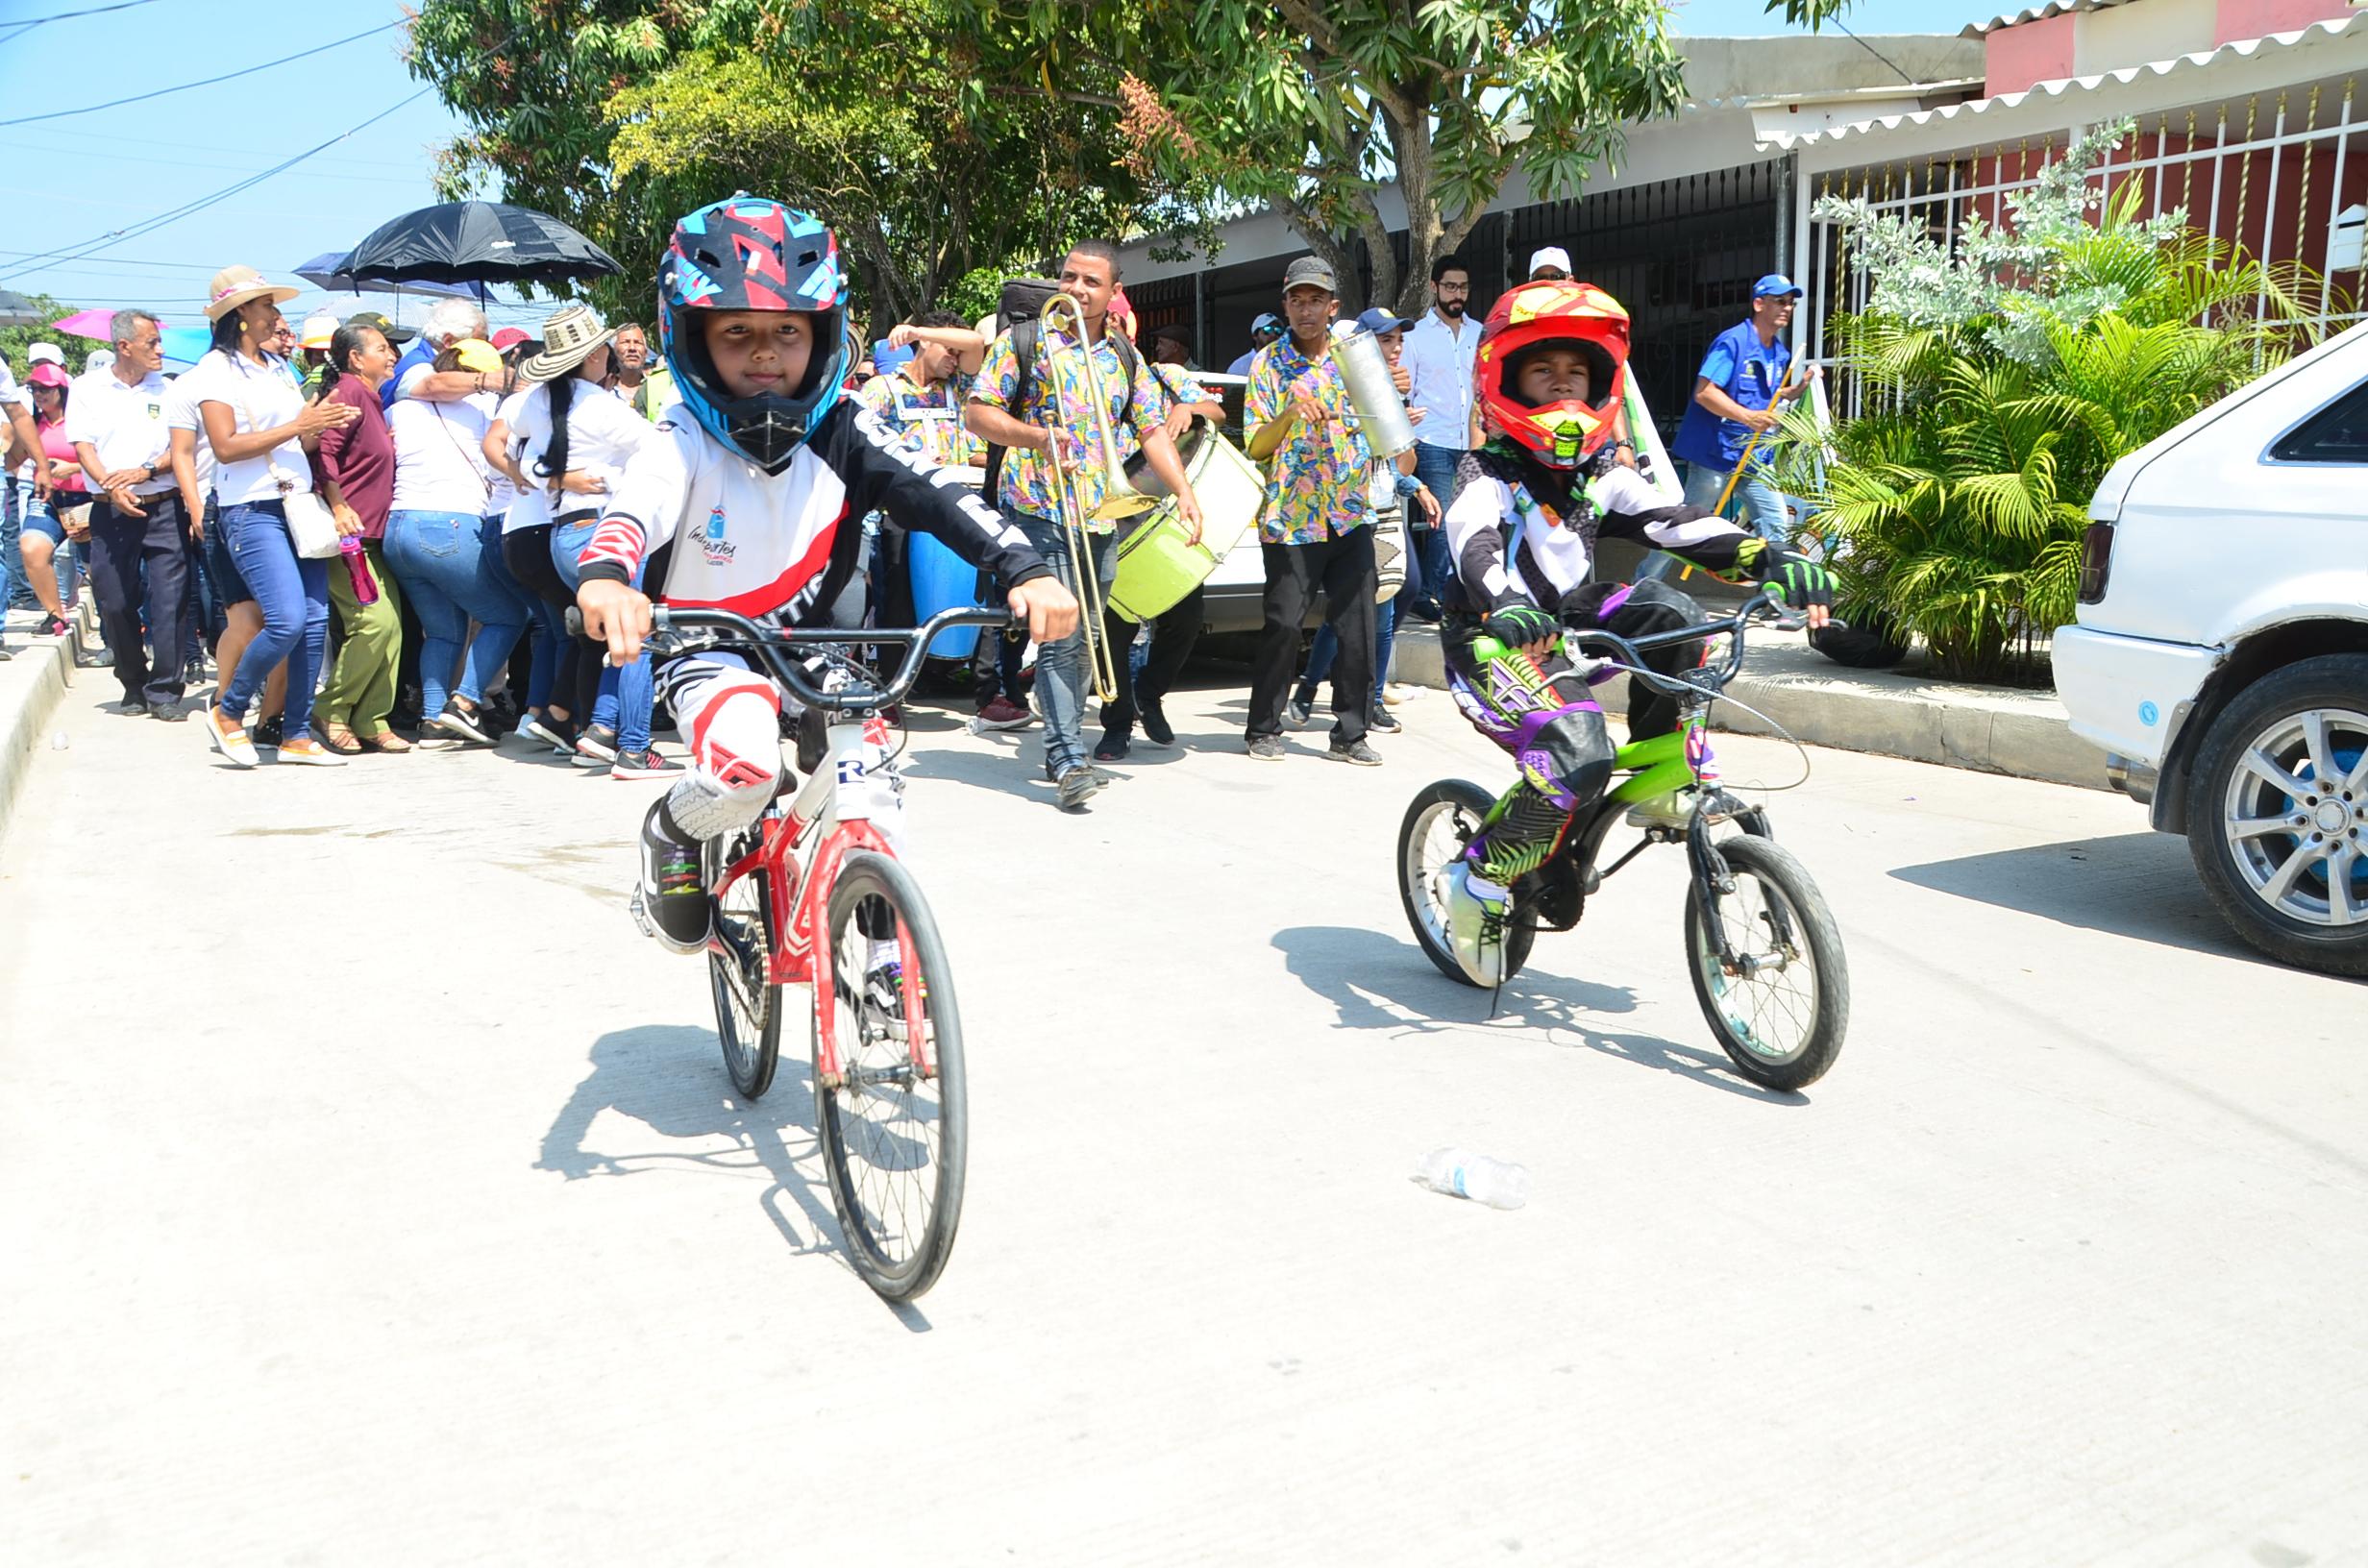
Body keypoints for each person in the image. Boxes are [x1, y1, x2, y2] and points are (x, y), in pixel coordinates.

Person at [569, 195, 1076, 952]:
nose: (765, 353)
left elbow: (937, 489)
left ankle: (883, 971)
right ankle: (674, 828)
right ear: (693, 339)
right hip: (708, 644)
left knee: (873, 780)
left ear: (824, 335)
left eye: (788, 331)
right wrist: (608, 577)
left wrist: (1025, 568)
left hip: (818, 647)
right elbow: (634, 507)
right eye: (736, 332)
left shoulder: (846, 425)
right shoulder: (679, 435)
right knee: (744, 769)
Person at [1432, 280, 1835, 987]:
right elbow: (1475, 541)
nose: (1563, 384)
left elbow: (1676, 522)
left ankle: (1660, 768)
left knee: (1675, 615)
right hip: (1492, 637)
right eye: (1543, 370)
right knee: (1578, 750)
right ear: (1505, 382)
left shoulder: (1600, 475)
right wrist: (1503, 600)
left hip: (1567, 621)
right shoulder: (1487, 471)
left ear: (1601, 385)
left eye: (1577, 371)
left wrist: (1770, 558)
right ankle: (1480, 878)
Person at [964, 237, 1205, 810]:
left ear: (1114, 291)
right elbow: (977, 412)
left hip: (1100, 510)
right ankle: (1069, 757)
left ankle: (1063, 740)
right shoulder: (1024, 341)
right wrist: (1036, 437)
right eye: (1069, 277)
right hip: (1037, 504)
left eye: (1090, 281)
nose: (1075, 289)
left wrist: (1184, 490)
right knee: (1061, 633)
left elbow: (1150, 428)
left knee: (1087, 636)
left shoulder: (1125, 355)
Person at [189, 266, 361, 765]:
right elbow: (225, 447)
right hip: (251, 508)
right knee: (286, 620)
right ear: (240, 312)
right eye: (267, 305)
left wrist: (321, 424)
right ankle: (229, 711)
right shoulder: (214, 370)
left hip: (296, 503)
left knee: (313, 622)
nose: (276, 314)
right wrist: (299, 425)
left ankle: (296, 735)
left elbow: (297, 440)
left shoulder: (278, 367)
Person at [494, 305, 662, 774]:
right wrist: (610, 478)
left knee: (604, 635)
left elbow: (519, 456)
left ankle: (600, 729)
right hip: (604, 529)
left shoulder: (535, 402)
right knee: (635, 634)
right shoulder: (604, 408)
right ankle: (634, 747)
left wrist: (556, 478)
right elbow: (661, 455)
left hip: (563, 535)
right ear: (594, 356)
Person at [1242, 257, 1381, 766]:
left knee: (1357, 627)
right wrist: (1289, 413)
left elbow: (1388, 436)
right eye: (1297, 300)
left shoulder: (1356, 360)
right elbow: (1256, 446)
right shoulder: (1267, 364)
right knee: (1283, 624)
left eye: (1316, 300)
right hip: (1291, 518)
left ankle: (1351, 733)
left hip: (1349, 512)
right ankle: (1263, 728)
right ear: (1285, 305)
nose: (1306, 310)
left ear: (1333, 307)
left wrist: (1397, 409)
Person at [1289, 306, 1439, 736]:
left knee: (1395, 596)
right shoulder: (1345, 385)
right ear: (1363, 345)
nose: (1396, 348)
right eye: (1386, 339)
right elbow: (1346, 451)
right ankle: (1322, 688)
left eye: (1399, 340)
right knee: (1360, 608)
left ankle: (1363, 696)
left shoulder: (1396, 389)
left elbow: (1401, 464)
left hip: (1386, 506)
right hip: (1354, 510)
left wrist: (1407, 452)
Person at [382, 337, 528, 747]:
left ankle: (434, 722)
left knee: (443, 631)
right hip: (448, 525)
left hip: (399, 527)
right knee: (508, 616)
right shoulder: (484, 409)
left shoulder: (399, 408)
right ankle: (464, 702)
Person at [1094, 321, 1225, 759]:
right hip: (1111, 518)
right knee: (1114, 631)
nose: (1112, 329)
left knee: (1186, 618)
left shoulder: (1162, 374)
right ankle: (1117, 723)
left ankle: (1149, 694)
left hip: (1167, 518)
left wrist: (1190, 409)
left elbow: (1218, 411)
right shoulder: (1084, 375)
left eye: (1119, 322)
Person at [1643, 273, 1819, 581]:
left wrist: (1796, 390)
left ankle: (1774, 593)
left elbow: (1768, 398)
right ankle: (1641, 586)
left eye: (1791, 303)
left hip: (1752, 458)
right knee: (1684, 529)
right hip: (1715, 454)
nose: (1787, 308)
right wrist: (1748, 417)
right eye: (1780, 301)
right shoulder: (1733, 342)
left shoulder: (1779, 353)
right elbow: (1705, 393)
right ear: (1759, 304)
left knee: (1777, 522)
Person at [66, 309, 195, 720]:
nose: (160, 350)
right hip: (111, 511)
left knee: (170, 601)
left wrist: (145, 472)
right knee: (115, 600)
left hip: (164, 506)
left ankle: (165, 691)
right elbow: (83, 447)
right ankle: (133, 682)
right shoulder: (87, 388)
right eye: (151, 343)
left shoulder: (170, 389)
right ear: (124, 346)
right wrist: (112, 486)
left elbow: (181, 447)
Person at [308, 319, 411, 754]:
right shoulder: (348, 391)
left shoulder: (370, 397)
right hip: (350, 535)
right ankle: (330, 709)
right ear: (355, 358)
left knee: (394, 629)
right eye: (382, 348)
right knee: (373, 623)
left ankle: (372, 718)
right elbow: (323, 454)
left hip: (374, 535)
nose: (392, 356)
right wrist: (338, 505)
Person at [857, 308, 986, 637]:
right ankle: (897, 668)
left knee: (963, 606)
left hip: (954, 506)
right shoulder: (882, 389)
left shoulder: (957, 387)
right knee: (898, 608)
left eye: (957, 353)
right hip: (902, 511)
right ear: (926, 345)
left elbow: (975, 343)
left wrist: (917, 332)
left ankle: (962, 666)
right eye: (949, 351)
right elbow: (861, 446)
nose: (955, 360)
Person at [1397, 255, 1478, 622]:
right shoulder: (1416, 336)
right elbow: (1405, 391)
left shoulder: (1479, 334)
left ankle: (1459, 594)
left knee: (1472, 520)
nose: (1457, 294)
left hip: (1473, 441)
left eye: (1463, 287)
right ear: (1434, 287)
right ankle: (1430, 593)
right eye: (1450, 286)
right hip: (1432, 439)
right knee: (1443, 521)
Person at [14, 362, 86, 641]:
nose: (38, 394)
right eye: (33, 389)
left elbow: (106, 457)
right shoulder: (31, 425)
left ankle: (114, 633)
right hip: (46, 497)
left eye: (45, 388)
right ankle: (56, 615)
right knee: (31, 549)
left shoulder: (81, 420)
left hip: (85, 499)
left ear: (61, 390)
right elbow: (13, 459)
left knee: (99, 570)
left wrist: (74, 468)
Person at [1226, 312, 1283, 378]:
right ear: (1255, 335)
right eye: (1267, 329)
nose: (1273, 335)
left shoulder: (1285, 365)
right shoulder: (1240, 366)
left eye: (1277, 330)